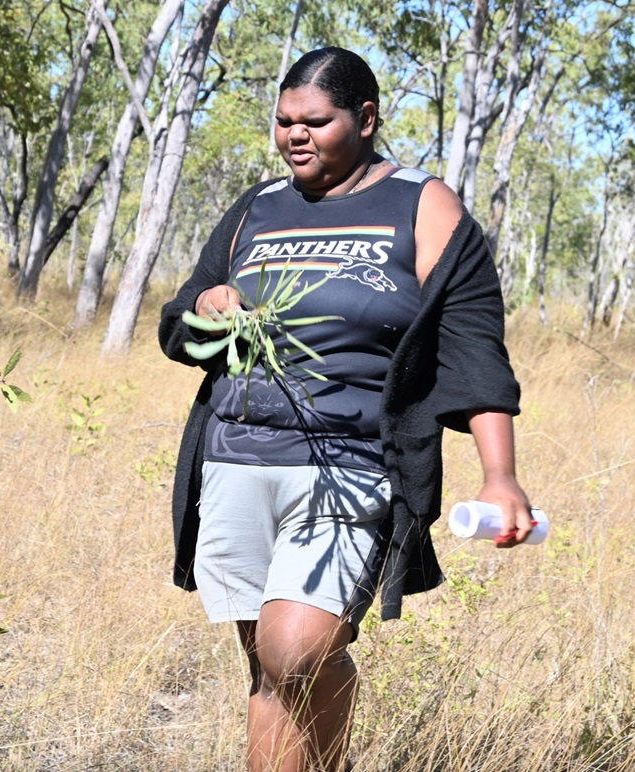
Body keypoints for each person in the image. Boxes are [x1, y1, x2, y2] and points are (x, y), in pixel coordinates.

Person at [158, 46, 532, 772]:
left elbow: (473, 346)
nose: (295, 135)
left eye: (316, 121)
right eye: (284, 121)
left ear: (365, 119)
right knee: (270, 669)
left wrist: (500, 474)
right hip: (235, 459)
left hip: (352, 463)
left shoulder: (421, 205)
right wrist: (206, 305)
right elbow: (179, 322)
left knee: (295, 650)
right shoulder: (258, 208)